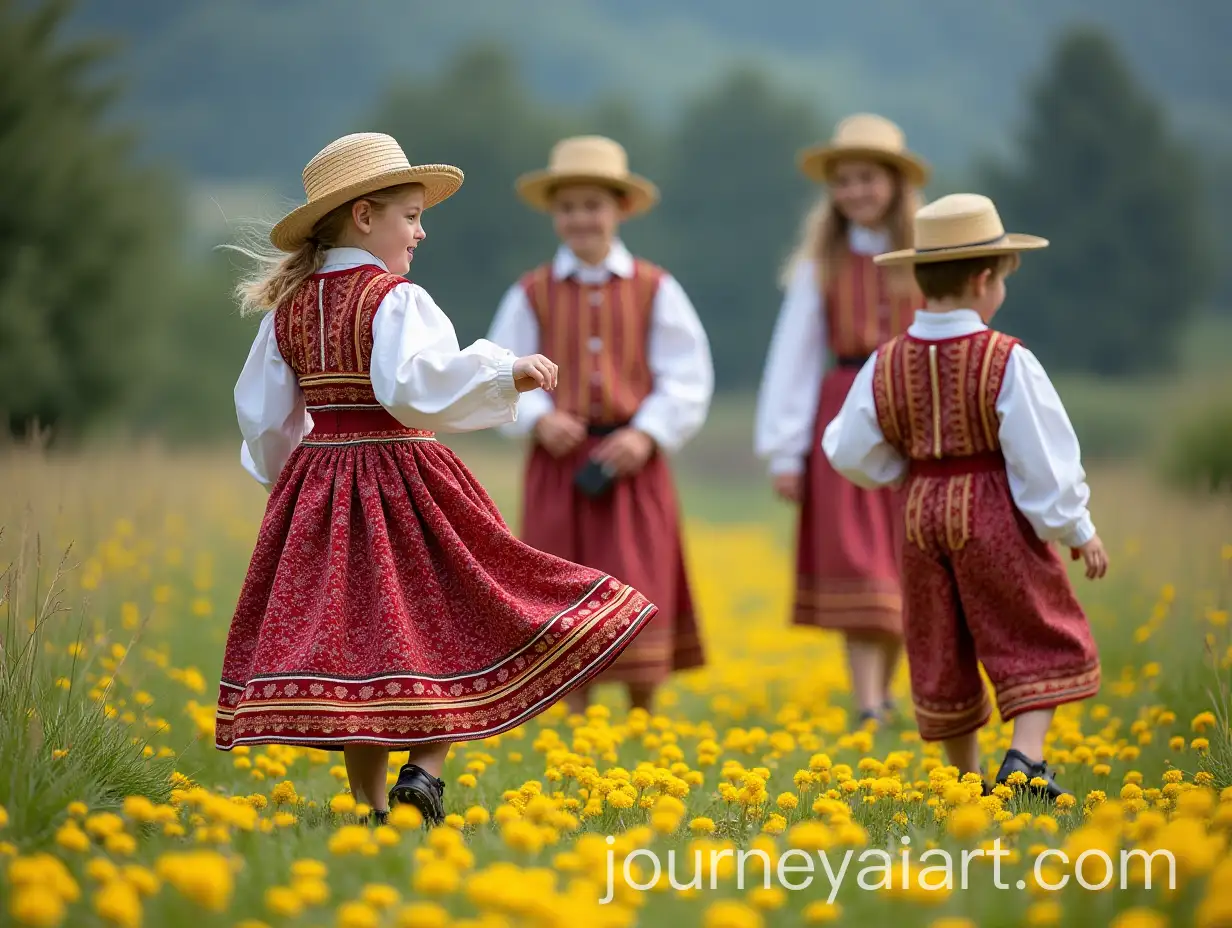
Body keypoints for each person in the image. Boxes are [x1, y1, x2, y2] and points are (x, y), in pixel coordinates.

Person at [214, 133, 657, 826]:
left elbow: (264, 419)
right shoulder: (394, 299)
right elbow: (414, 387)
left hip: (320, 486)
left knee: (357, 645)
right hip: (402, 479)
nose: (420, 232)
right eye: (411, 216)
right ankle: (424, 771)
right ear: (365, 216)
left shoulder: (288, 309)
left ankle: (367, 805)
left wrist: (293, 488)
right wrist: (504, 370)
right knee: (443, 616)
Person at [823, 193, 1108, 797]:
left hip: (920, 510)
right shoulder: (1006, 358)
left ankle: (963, 777)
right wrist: (1076, 528)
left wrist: (901, 469)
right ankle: (1025, 759)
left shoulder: (884, 361)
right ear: (985, 281)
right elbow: (1042, 456)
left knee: (937, 634)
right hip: (992, 510)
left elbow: (846, 449)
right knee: (1032, 623)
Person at [487, 135, 713, 713]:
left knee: (641, 577)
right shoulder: (530, 293)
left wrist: (647, 433)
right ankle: (572, 709)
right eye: (569, 207)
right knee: (558, 579)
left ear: (620, 209)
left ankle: (644, 708)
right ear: (554, 215)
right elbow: (497, 369)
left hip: (630, 461)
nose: (581, 218)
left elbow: (687, 375)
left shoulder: (654, 288)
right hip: (559, 465)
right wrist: (538, 417)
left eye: (593, 205)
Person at [754, 114, 928, 725]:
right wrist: (785, 449)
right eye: (845, 180)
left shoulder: (927, 257)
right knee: (857, 562)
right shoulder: (819, 266)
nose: (856, 191)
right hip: (845, 414)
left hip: (918, 412)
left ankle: (890, 691)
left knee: (911, 558)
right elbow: (794, 357)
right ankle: (868, 701)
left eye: (868, 179)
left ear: (896, 183)